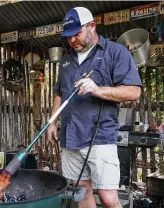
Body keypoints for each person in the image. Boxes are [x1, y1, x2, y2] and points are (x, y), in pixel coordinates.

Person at [47, 7, 142, 208]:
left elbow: (134, 92)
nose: (72, 40)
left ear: (92, 26)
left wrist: (97, 90)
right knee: (82, 192)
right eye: (68, 37)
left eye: (76, 34)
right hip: (70, 137)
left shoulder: (116, 52)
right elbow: (59, 93)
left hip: (100, 137)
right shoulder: (65, 61)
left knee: (108, 198)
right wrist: (52, 122)